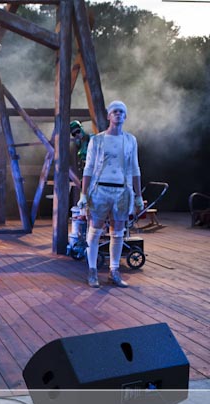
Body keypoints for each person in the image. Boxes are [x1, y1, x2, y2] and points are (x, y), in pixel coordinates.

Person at [78, 100, 144, 288]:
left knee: (118, 231)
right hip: (100, 189)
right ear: (108, 116)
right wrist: (84, 194)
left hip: (121, 190)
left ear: (125, 116)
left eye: (121, 112)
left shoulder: (130, 140)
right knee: (95, 229)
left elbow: (135, 168)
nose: (118, 114)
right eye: (115, 111)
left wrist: (138, 195)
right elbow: (89, 168)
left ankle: (114, 271)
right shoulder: (97, 140)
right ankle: (92, 271)